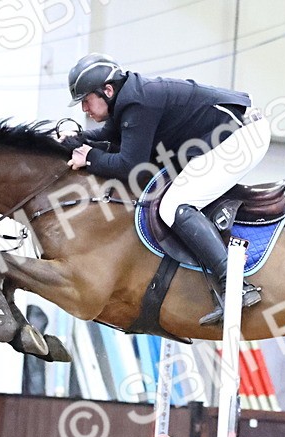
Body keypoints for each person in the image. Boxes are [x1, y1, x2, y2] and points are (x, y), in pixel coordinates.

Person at [64, 53, 272, 326]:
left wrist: (89, 157)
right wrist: (73, 139)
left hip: (241, 138)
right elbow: (108, 136)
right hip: (226, 135)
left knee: (173, 205)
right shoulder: (129, 99)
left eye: (86, 100)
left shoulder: (138, 101)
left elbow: (129, 165)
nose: (84, 110)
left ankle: (235, 286)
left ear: (107, 90)